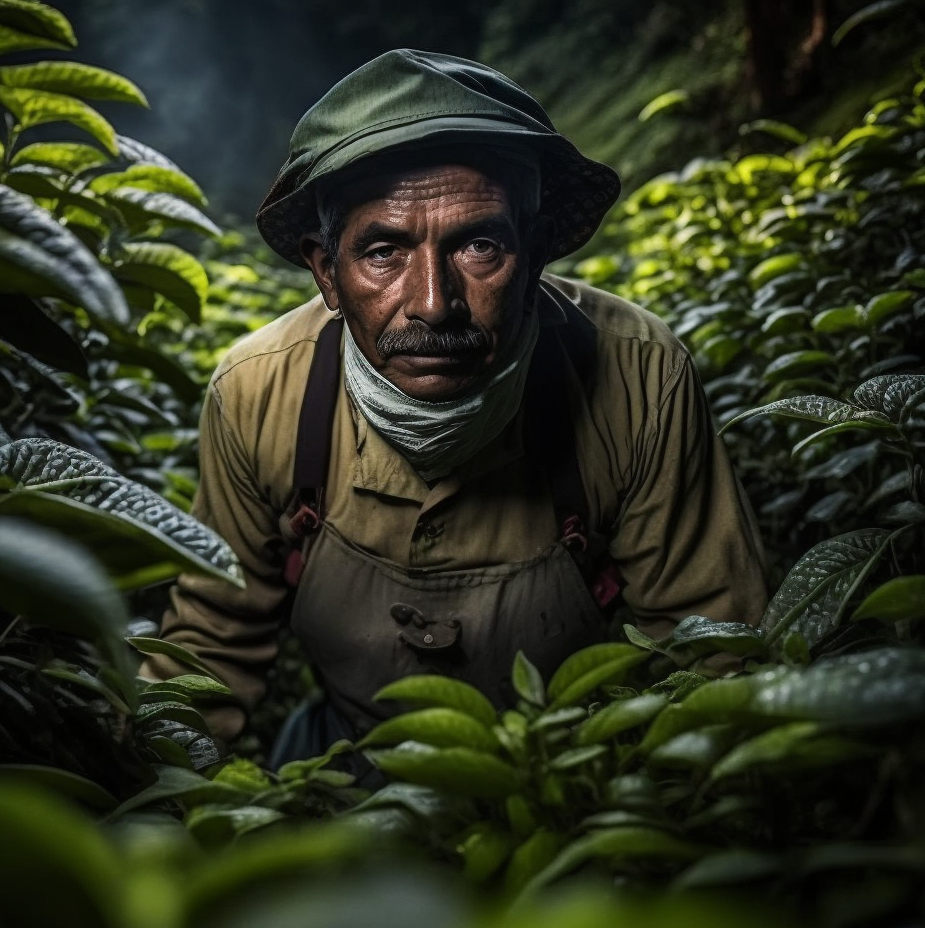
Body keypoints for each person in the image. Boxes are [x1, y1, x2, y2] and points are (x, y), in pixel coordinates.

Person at [143, 49, 767, 765]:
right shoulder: (258, 394)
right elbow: (208, 651)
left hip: (562, 769)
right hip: (348, 754)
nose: (434, 304)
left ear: (534, 255)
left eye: (479, 245)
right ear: (327, 271)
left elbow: (717, 662)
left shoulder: (638, 376)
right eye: (383, 251)